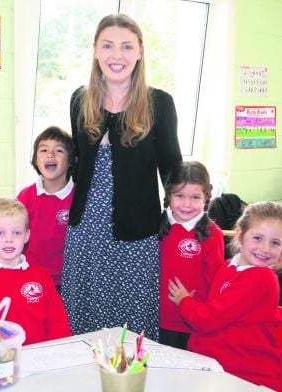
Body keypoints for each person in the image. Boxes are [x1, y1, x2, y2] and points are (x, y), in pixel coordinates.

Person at [62, 13, 182, 340]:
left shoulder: (159, 103)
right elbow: (77, 165)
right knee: (86, 319)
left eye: (127, 46)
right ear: (95, 51)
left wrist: (189, 217)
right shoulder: (79, 100)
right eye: (108, 46)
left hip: (137, 233)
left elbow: (173, 169)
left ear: (140, 51)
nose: (117, 55)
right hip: (86, 231)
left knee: (133, 325)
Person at [168, 201, 282, 390]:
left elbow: (208, 319)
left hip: (245, 376)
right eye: (258, 238)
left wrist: (184, 301)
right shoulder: (229, 266)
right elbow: (218, 306)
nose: (265, 249)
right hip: (214, 365)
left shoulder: (261, 278)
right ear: (240, 235)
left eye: (275, 243)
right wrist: (195, 302)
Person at [0, 198, 72, 344]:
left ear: (26, 236)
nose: (9, 239)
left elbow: (59, 325)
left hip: (40, 358)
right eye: (0, 233)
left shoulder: (41, 276)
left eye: (17, 233)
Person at [158, 161, 225, 350]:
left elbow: (215, 281)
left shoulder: (213, 234)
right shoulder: (157, 226)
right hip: (158, 318)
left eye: (195, 197)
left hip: (193, 321)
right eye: (179, 196)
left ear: (206, 197)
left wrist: (196, 306)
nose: (187, 204)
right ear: (169, 195)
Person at [17, 125, 75, 289]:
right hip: (30, 279)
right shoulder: (25, 197)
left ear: (70, 160)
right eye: (43, 150)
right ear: (36, 159)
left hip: (67, 282)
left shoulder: (79, 197)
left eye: (59, 150)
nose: (50, 154)